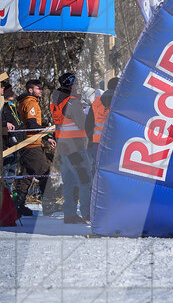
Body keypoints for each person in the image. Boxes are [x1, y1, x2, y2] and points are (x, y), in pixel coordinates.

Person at [49, 73, 92, 223]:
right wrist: (88, 113)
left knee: (69, 182)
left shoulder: (56, 101)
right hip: (75, 148)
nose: (78, 86)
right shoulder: (73, 102)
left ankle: (69, 214)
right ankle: (87, 214)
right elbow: (82, 124)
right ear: (71, 85)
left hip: (63, 149)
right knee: (85, 180)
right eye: (76, 84)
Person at [16, 78, 54, 216]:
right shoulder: (31, 103)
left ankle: (17, 205)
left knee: (26, 176)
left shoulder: (24, 102)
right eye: (38, 88)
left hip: (29, 143)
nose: (41, 90)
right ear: (30, 90)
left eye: (41, 88)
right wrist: (47, 130)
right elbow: (32, 125)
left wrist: (45, 136)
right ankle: (49, 205)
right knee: (45, 173)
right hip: (31, 144)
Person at [2, 82, 30, 217]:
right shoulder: (3, 106)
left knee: (10, 178)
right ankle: (5, 209)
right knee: (5, 177)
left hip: (15, 146)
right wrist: (3, 124)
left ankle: (9, 208)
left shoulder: (12, 106)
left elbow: (19, 124)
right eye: (9, 90)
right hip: (5, 146)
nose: (12, 93)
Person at [85, 77, 118, 163]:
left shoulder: (96, 104)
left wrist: (91, 140)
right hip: (115, 143)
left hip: (96, 143)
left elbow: (88, 125)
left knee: (97, 169)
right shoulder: (120, 102)